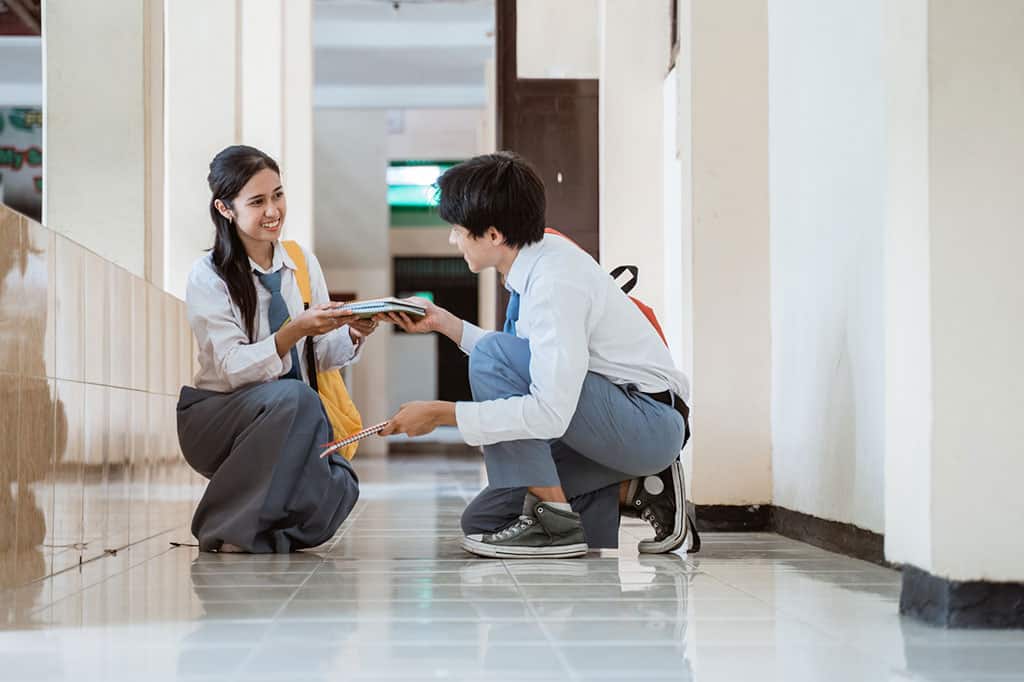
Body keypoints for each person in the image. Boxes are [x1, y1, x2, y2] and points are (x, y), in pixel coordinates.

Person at [379, 151, 691, 559]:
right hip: (612, 422)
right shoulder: (534, 262)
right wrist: (445, 323)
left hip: (647, 423)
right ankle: (634, 489)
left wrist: (442, 413)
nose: (453, 239)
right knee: (485, 521)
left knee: (490, 355)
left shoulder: (553, 281)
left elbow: (549, 410)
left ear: (492, 234)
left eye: (457, 229)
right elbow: (530, 360)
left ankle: (557, 522)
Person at [176, 145, 377, 553]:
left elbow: (315, 356)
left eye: (278, 195)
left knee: (342, 487)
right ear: (225, 208)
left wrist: (352, 333)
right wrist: (293, 330)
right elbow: (231, 368)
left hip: (290, 411)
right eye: (257, 201)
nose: (273, 211)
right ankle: (224, 528)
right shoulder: (208, 276)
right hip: (218, 418)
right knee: (294, 397)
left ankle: (268, 535)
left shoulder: (302, 264)